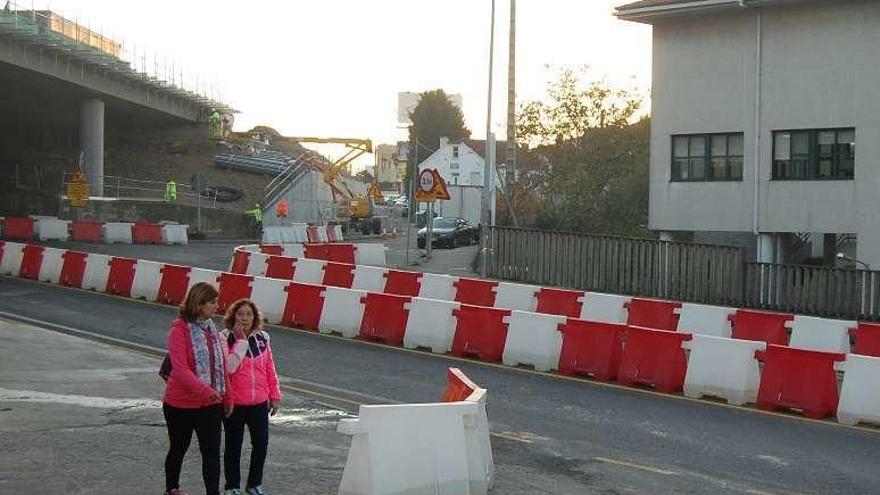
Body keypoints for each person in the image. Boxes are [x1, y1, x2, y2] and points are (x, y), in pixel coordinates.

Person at [162, 282, 233, 495]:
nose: (216, 307)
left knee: (211, 451)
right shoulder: (179, 330)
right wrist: (206, 390)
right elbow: (181, 370)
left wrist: (227, 396)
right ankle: (172, 488)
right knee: (178, 447)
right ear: (199, 303)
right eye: (212, 303)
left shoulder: (212, 329)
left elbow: (220, 364)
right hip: (181, 403)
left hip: (210, 403)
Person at [222, 299, 282, 495]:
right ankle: (232, 486)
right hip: (235, 404)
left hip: (259, 403)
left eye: (248, 314)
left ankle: (254, 483)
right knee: (233, 446)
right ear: (233, 316)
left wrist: (275, 395)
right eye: (240, 314)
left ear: (255, 317)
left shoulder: (263, 339)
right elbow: (226, 370)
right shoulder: (225, 338)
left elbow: (269, 369)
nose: (245, 318)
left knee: (261, 443)